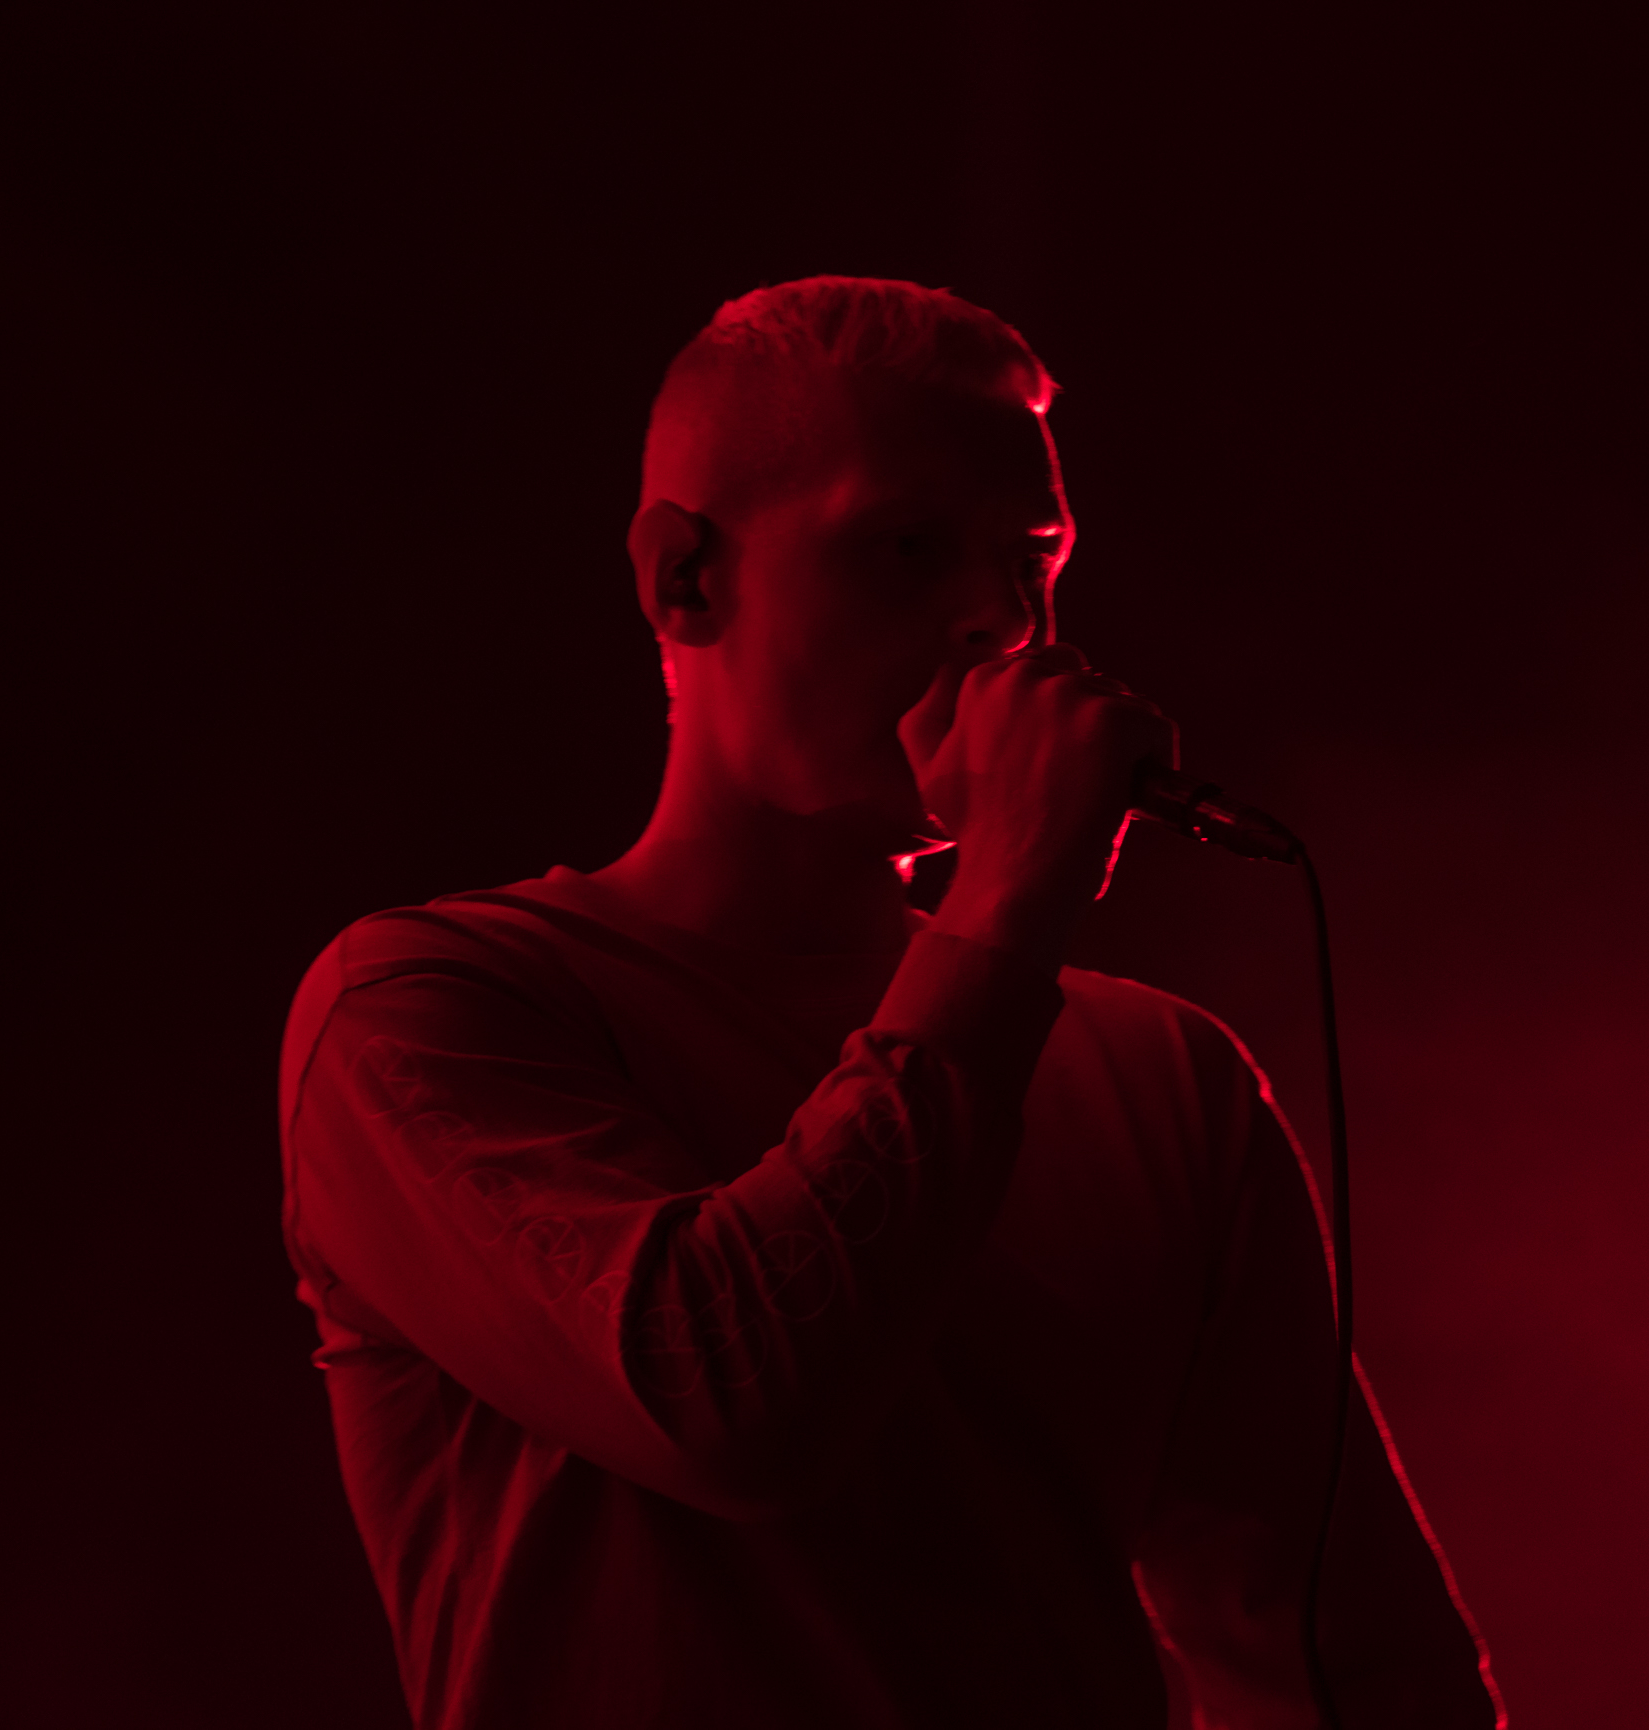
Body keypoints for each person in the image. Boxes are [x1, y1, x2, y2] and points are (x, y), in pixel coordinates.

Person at [278, 277, 1505, 1729]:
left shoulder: (1162, 1077)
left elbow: (1350, 1668)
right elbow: (724, 1398)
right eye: (907, 548)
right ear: (684, 577)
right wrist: (1014, 900)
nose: (1004, 623)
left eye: (1034, 560)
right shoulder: (429, 1007)